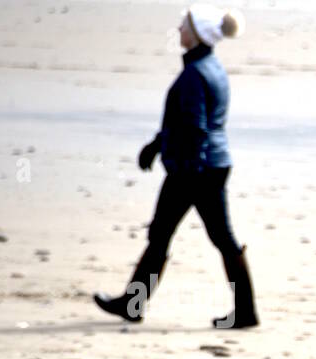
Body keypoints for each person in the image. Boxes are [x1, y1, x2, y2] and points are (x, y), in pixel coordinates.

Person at [94, 5, 257, 329]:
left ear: (196, 35)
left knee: (171, 236)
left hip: (193, 168)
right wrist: (156, 145)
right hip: (210, 164)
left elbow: (194, 127)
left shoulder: (194, 74)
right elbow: (189, 122)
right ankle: (134, 303)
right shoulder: (212, 67)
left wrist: (187, 169)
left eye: (184, 27)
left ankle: (134, 304)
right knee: (198, 237)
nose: (179, 31)